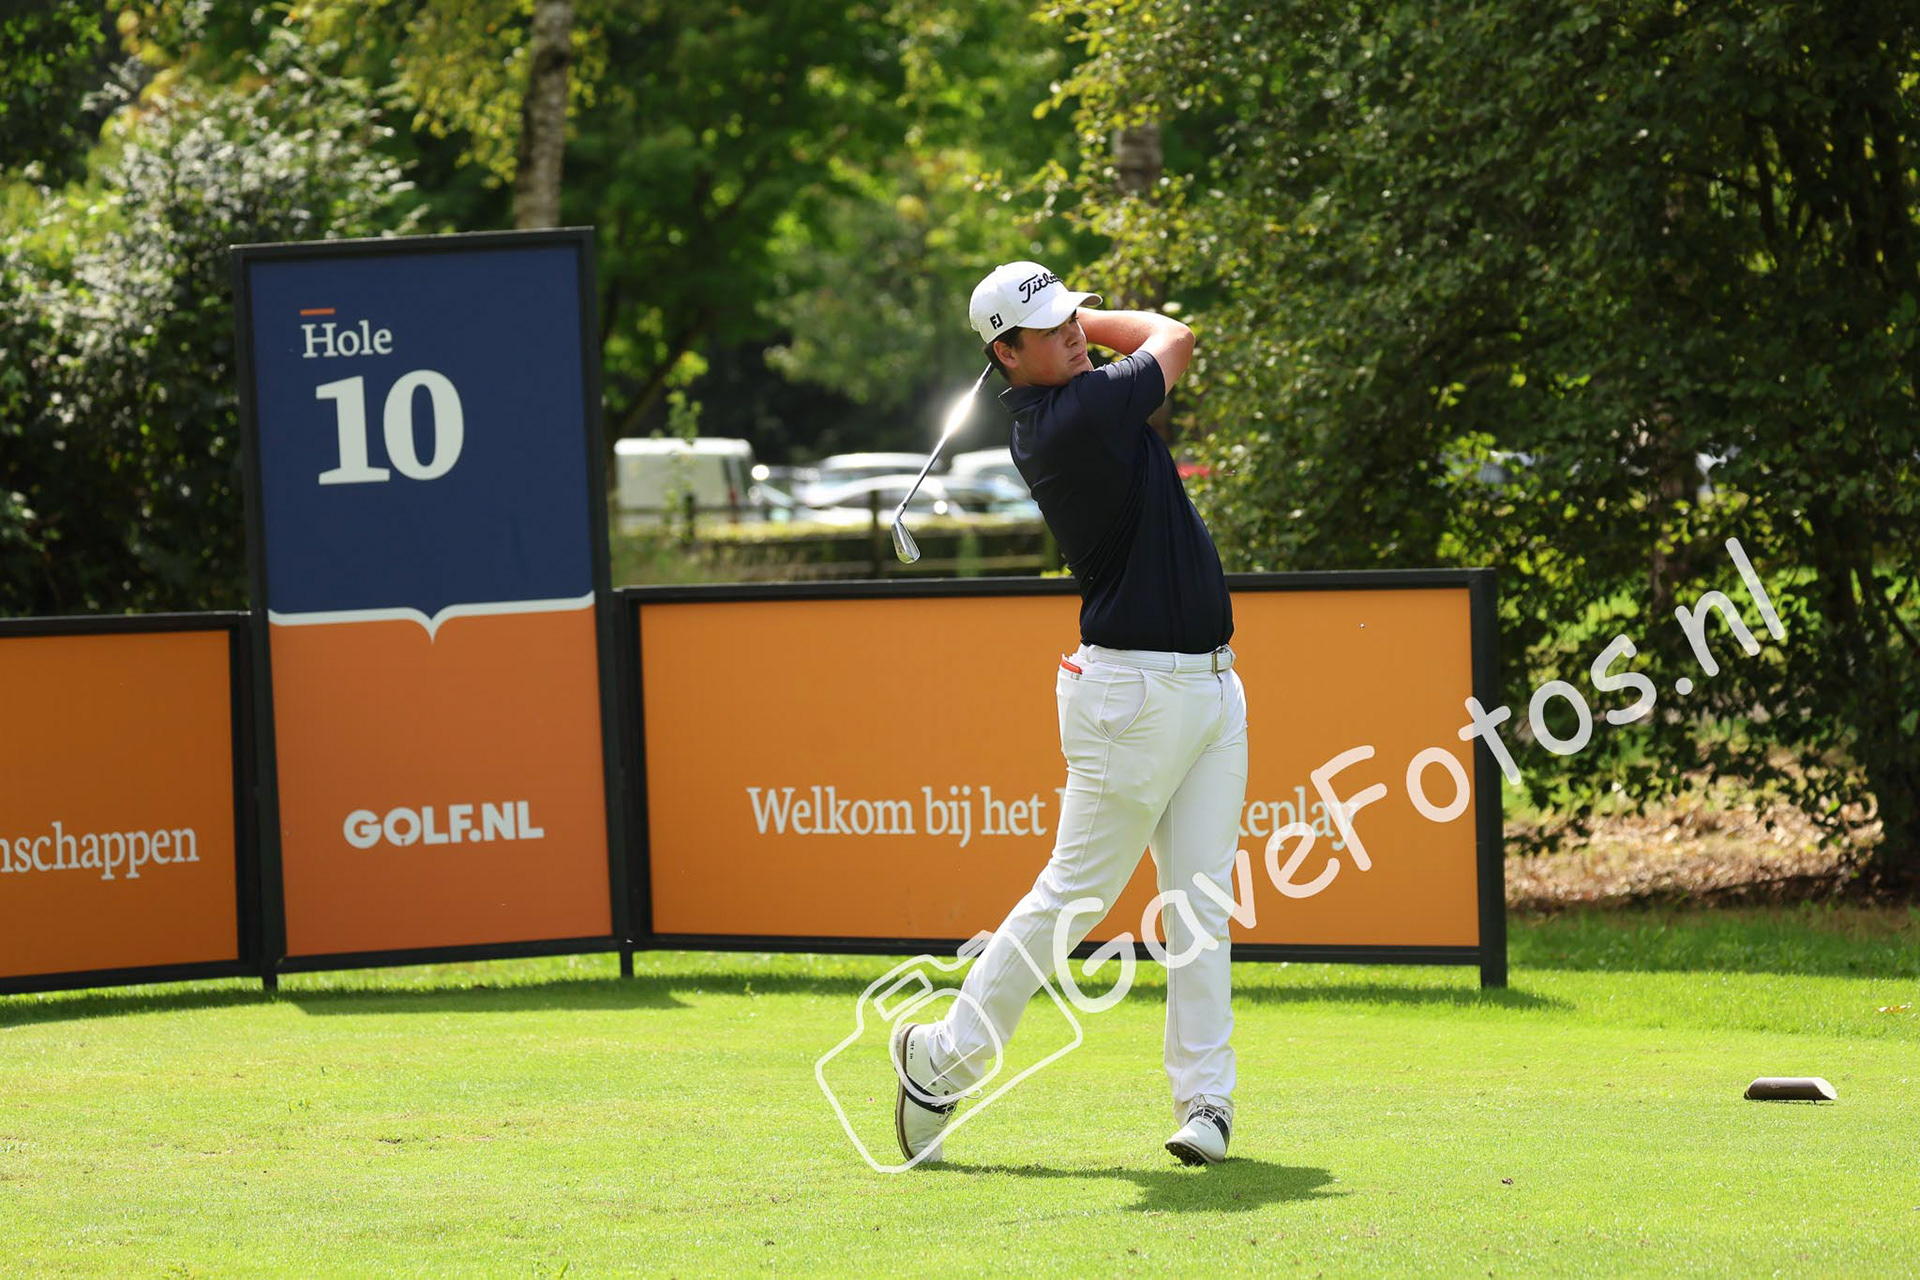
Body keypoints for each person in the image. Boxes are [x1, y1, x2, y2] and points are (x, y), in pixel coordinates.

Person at [890, 261, 1249, 1166]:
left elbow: (1135, 348)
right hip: (1134, 695)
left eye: (1071, 321)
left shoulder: (1074, 394)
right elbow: (1175, 336)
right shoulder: (1072, 419)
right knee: (1075, 897)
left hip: (1211, 685)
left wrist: (1066, 316)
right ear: (1006, 356)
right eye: (1049, 331)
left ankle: (1206, 1102)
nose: (1074, 336)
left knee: (1200, 904)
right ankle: (941, 1058)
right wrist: (1095, 307)